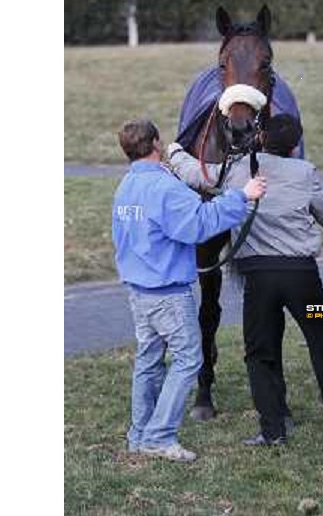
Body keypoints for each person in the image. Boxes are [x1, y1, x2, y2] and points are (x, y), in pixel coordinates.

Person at [168, 114, 323, 446]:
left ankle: (273, 430)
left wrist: (174, 152)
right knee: (321, 343)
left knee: (260, 352)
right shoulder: (305, 171)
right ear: (295, 145)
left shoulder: (241, 170)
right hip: (302, 274)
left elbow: (199, 175)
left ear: (261, 138)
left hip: (259, 276)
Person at [112, 119, 266, 462]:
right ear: (156, 143)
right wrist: (242, 196)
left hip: (138, 289)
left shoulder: (125, 186)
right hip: (167, 290)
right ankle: (159, 436)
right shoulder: (166, 188)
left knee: (149, 360)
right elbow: (200, 225)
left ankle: (139, 435)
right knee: (188, 359)